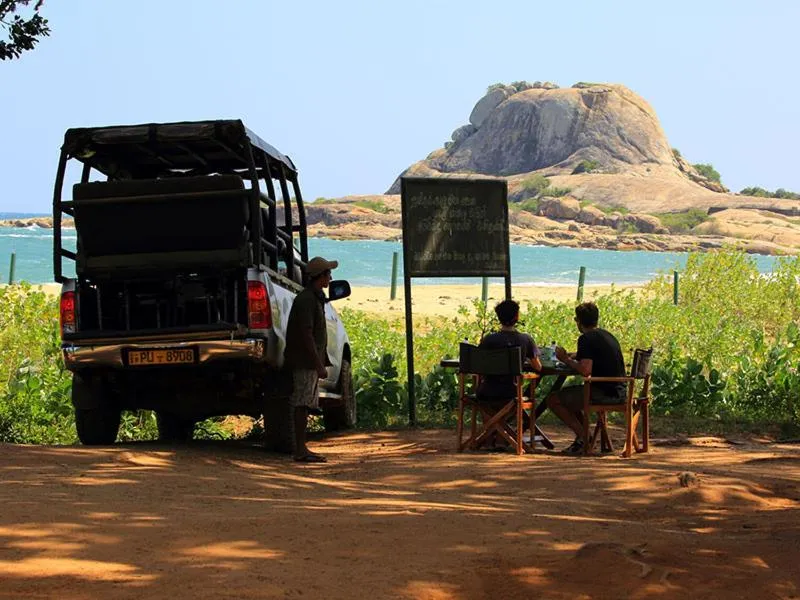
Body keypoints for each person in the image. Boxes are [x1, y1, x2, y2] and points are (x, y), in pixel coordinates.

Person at [546, 301, 626, 454]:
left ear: (579, 321)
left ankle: (584, 437)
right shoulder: (606, 335)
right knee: (570, 399)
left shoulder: (586, 339)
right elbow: (591, 356)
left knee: (553, 400)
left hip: (604, 392)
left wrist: (565, 360)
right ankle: (583, 438)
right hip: (618, 389)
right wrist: (573, 356)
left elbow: (585, 370)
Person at [283, 256, 338, 463]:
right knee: (302, 403)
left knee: (304, 403)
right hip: (304, 361)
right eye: (328, 274)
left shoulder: (312, 298)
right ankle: (300, 449)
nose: (330, 278)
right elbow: (306, 333)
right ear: (320, 276)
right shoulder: (307, 300)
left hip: (307, 360)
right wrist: (317, 363)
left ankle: (302, 448)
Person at [477, 299, 542, 401]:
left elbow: (479, 364)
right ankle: (511, 416)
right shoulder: (525, 339)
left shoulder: (488, 339)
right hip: (512, 393)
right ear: (517, 317)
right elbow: (538, 367)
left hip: (486, 391)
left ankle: (491, 417)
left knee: (488, 410)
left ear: (499, 318)